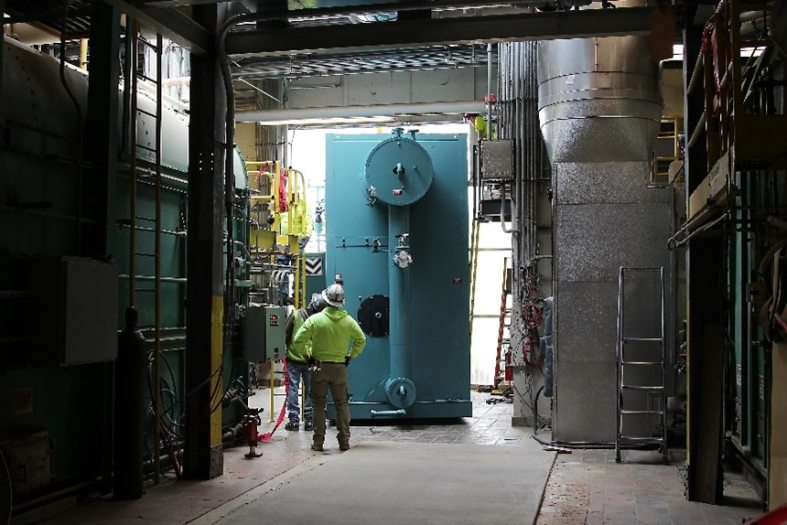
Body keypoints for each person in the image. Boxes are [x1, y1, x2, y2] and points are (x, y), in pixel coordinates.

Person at [293, 283, 366, 452]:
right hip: (339, 368)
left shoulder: (315, 320)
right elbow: (361, 339)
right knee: (341, 404)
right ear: (341, 302)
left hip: (318, 367)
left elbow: (298, 340)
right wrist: (350, 355)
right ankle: (344, 442)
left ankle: (318, 443)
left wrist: (307, 355)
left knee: (319, 405)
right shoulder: (348, 322)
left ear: (325, 300)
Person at [283, 294, 325, 431]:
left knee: (293, 389)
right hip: (311, 361)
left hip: (293, 359)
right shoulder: (320, 320)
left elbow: (285, 334)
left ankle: (294, 421)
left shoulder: (295, 315)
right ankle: (309, 421)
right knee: (310, 390)